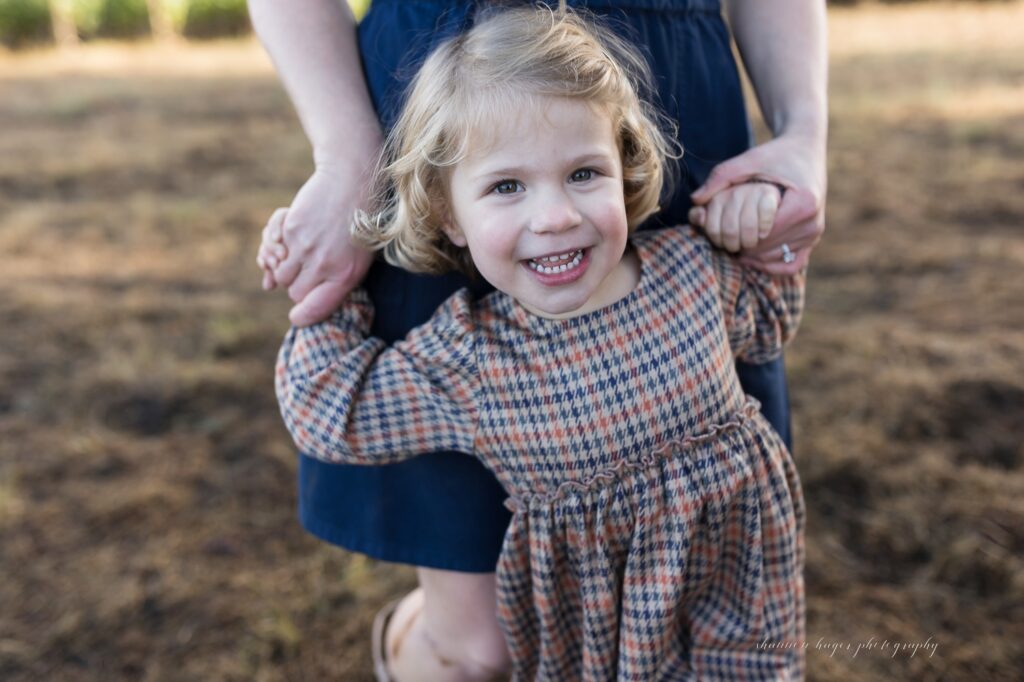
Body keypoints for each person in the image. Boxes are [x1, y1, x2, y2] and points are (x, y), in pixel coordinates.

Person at [249, 0, 826, 679]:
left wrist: (768, 199)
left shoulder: (690, 271)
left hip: (659, 62)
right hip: (431, 80)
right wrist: (329, 289)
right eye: (509, 188)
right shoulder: (468, 356)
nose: (554, 217)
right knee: (478, 650)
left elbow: (766, 314)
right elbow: (331, 407)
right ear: (446, 216)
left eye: (584, 175)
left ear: (625, 167)